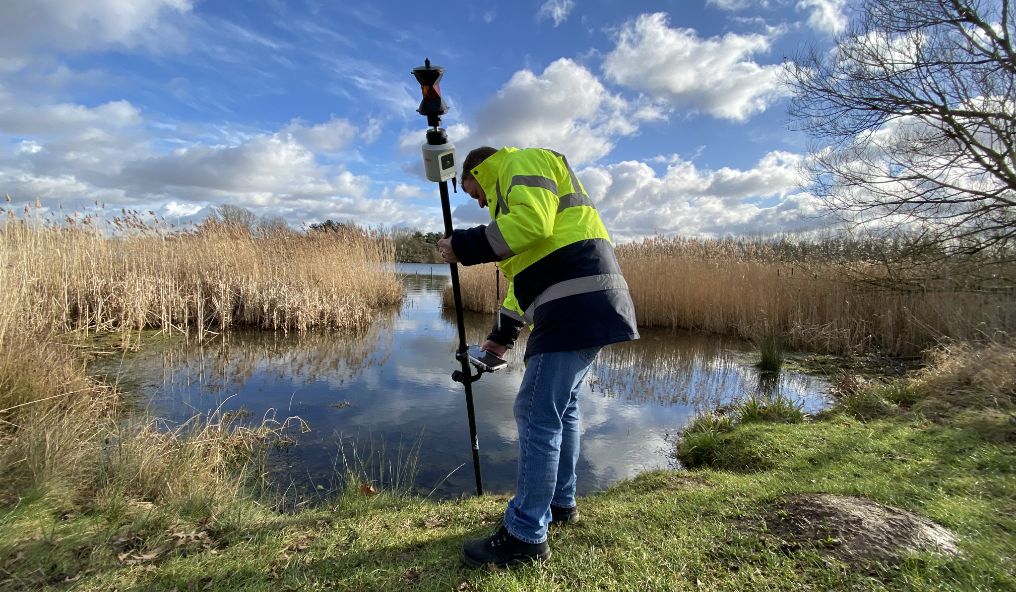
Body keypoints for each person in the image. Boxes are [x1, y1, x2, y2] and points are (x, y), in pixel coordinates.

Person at [437, 146, 639, 568]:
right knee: (562, 410)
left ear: (477, 170)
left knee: (534, 411)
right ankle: (561, 504)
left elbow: (531, 225)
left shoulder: (518, 163)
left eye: (469, 188)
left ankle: (525, 535)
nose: (474, 198)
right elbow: (526, 279)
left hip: (574, 303)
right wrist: (501, 336)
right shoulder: (513, 196)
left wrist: (463, 244)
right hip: (586, 300)